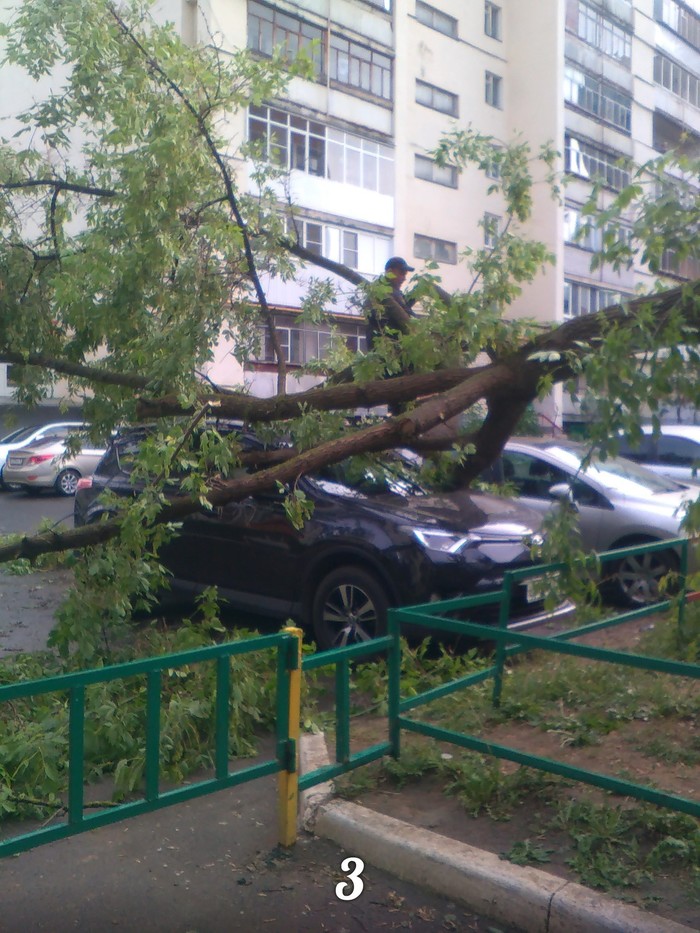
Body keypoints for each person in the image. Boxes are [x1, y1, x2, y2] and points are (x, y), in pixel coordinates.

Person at [366, 256, 418, 350]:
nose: (404, 278)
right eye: (401, 274)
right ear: (389, 272)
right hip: (387, 349)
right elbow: (405, 311)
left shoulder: (392, 292)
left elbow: (402, 308)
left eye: (405, 275)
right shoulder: (382, 292)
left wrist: (416, 295)